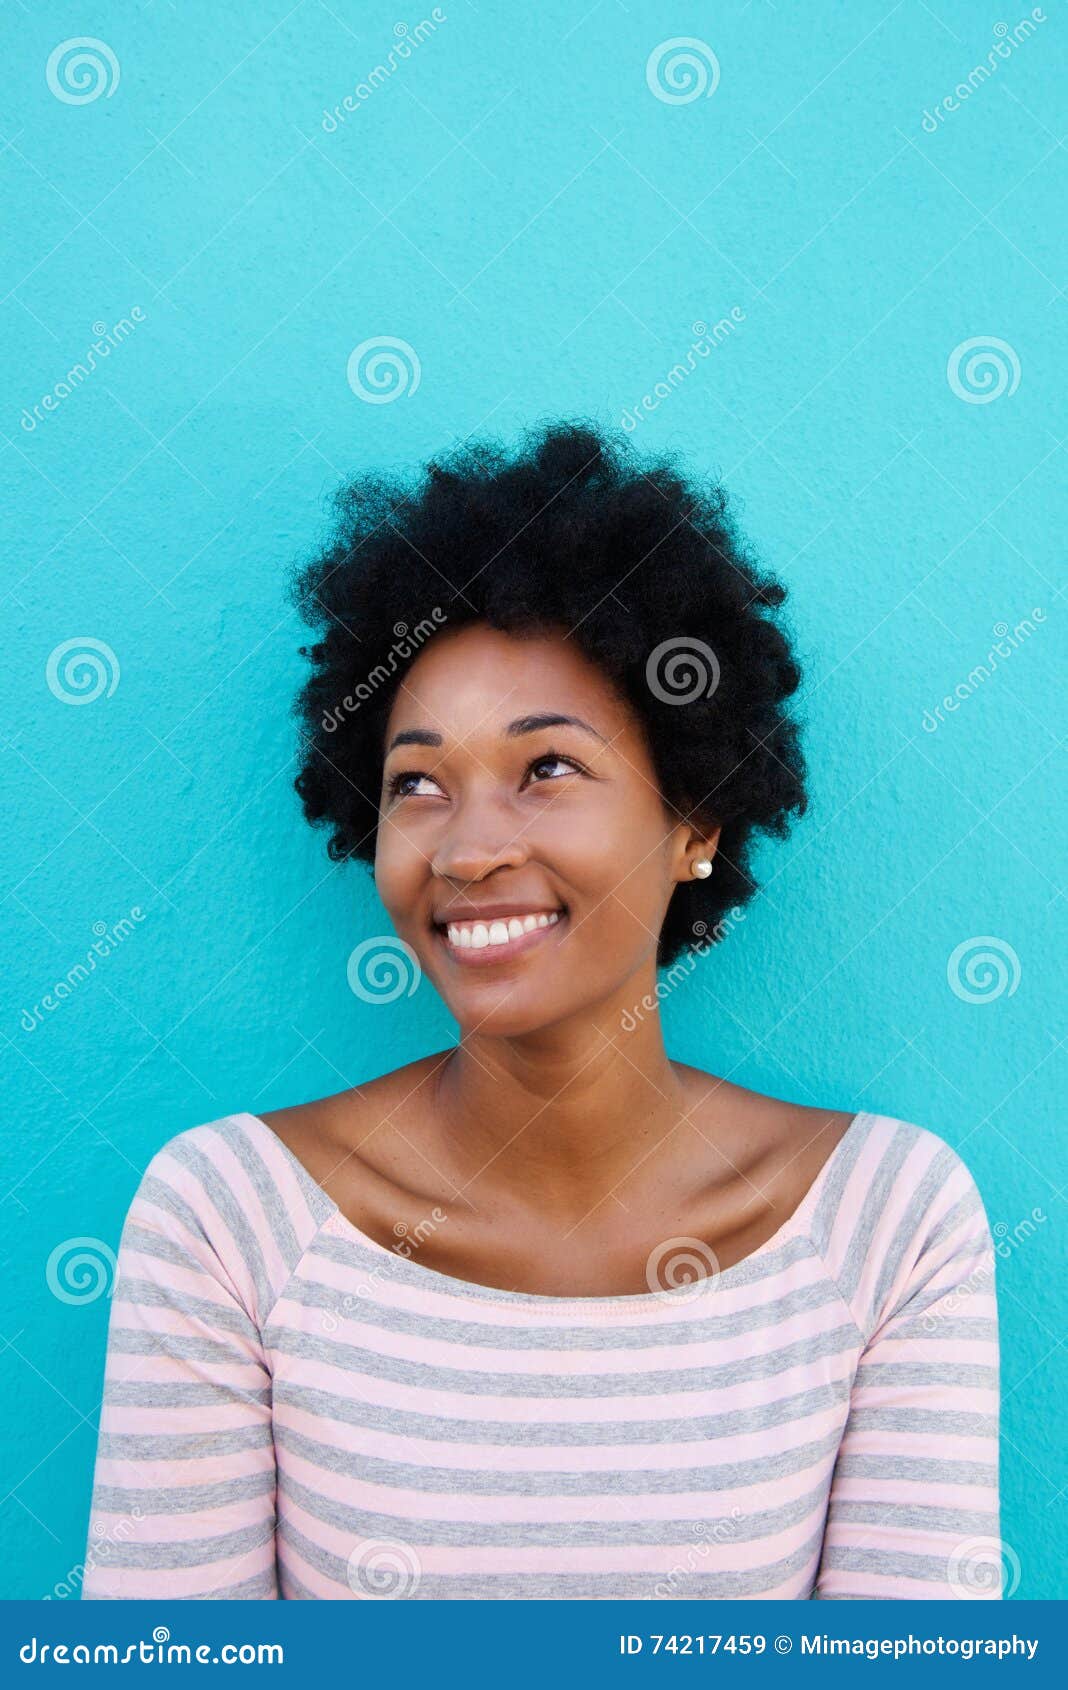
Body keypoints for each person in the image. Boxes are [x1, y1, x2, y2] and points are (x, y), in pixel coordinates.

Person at [82, 422, 1001, 1599]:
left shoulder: (890, 1224)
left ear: (697, 821)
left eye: (548, 768)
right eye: (417, 783)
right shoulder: (227, 1220)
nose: (466, 851)